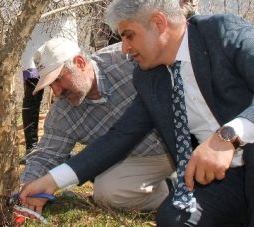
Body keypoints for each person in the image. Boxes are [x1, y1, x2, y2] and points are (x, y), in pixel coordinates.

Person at [20, 0, 254, 227]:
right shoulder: (150, 77)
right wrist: (52, 180)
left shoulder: (223, 32)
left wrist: (227, 137)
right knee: (174, 223)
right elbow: (120, 137)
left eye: (129, 35)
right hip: (231, 180)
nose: (125, 48)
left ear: (159, 22)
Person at [20, 37, 173, 210]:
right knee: (107, 191)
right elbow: (45, 156)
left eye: (58, 79)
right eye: (50, 85)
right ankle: (173, 194)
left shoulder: (126, 59)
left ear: (79, 63)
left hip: (182, 140)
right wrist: (26, 187)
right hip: (144, 159)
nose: (56, 92)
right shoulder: (63, 113)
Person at [19, 0, 83, 159]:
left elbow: (76, 0)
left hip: (63, 39)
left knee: (64, 92)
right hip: (34, 44)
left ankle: (58, 147)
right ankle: (31, 147)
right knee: (31, 91)